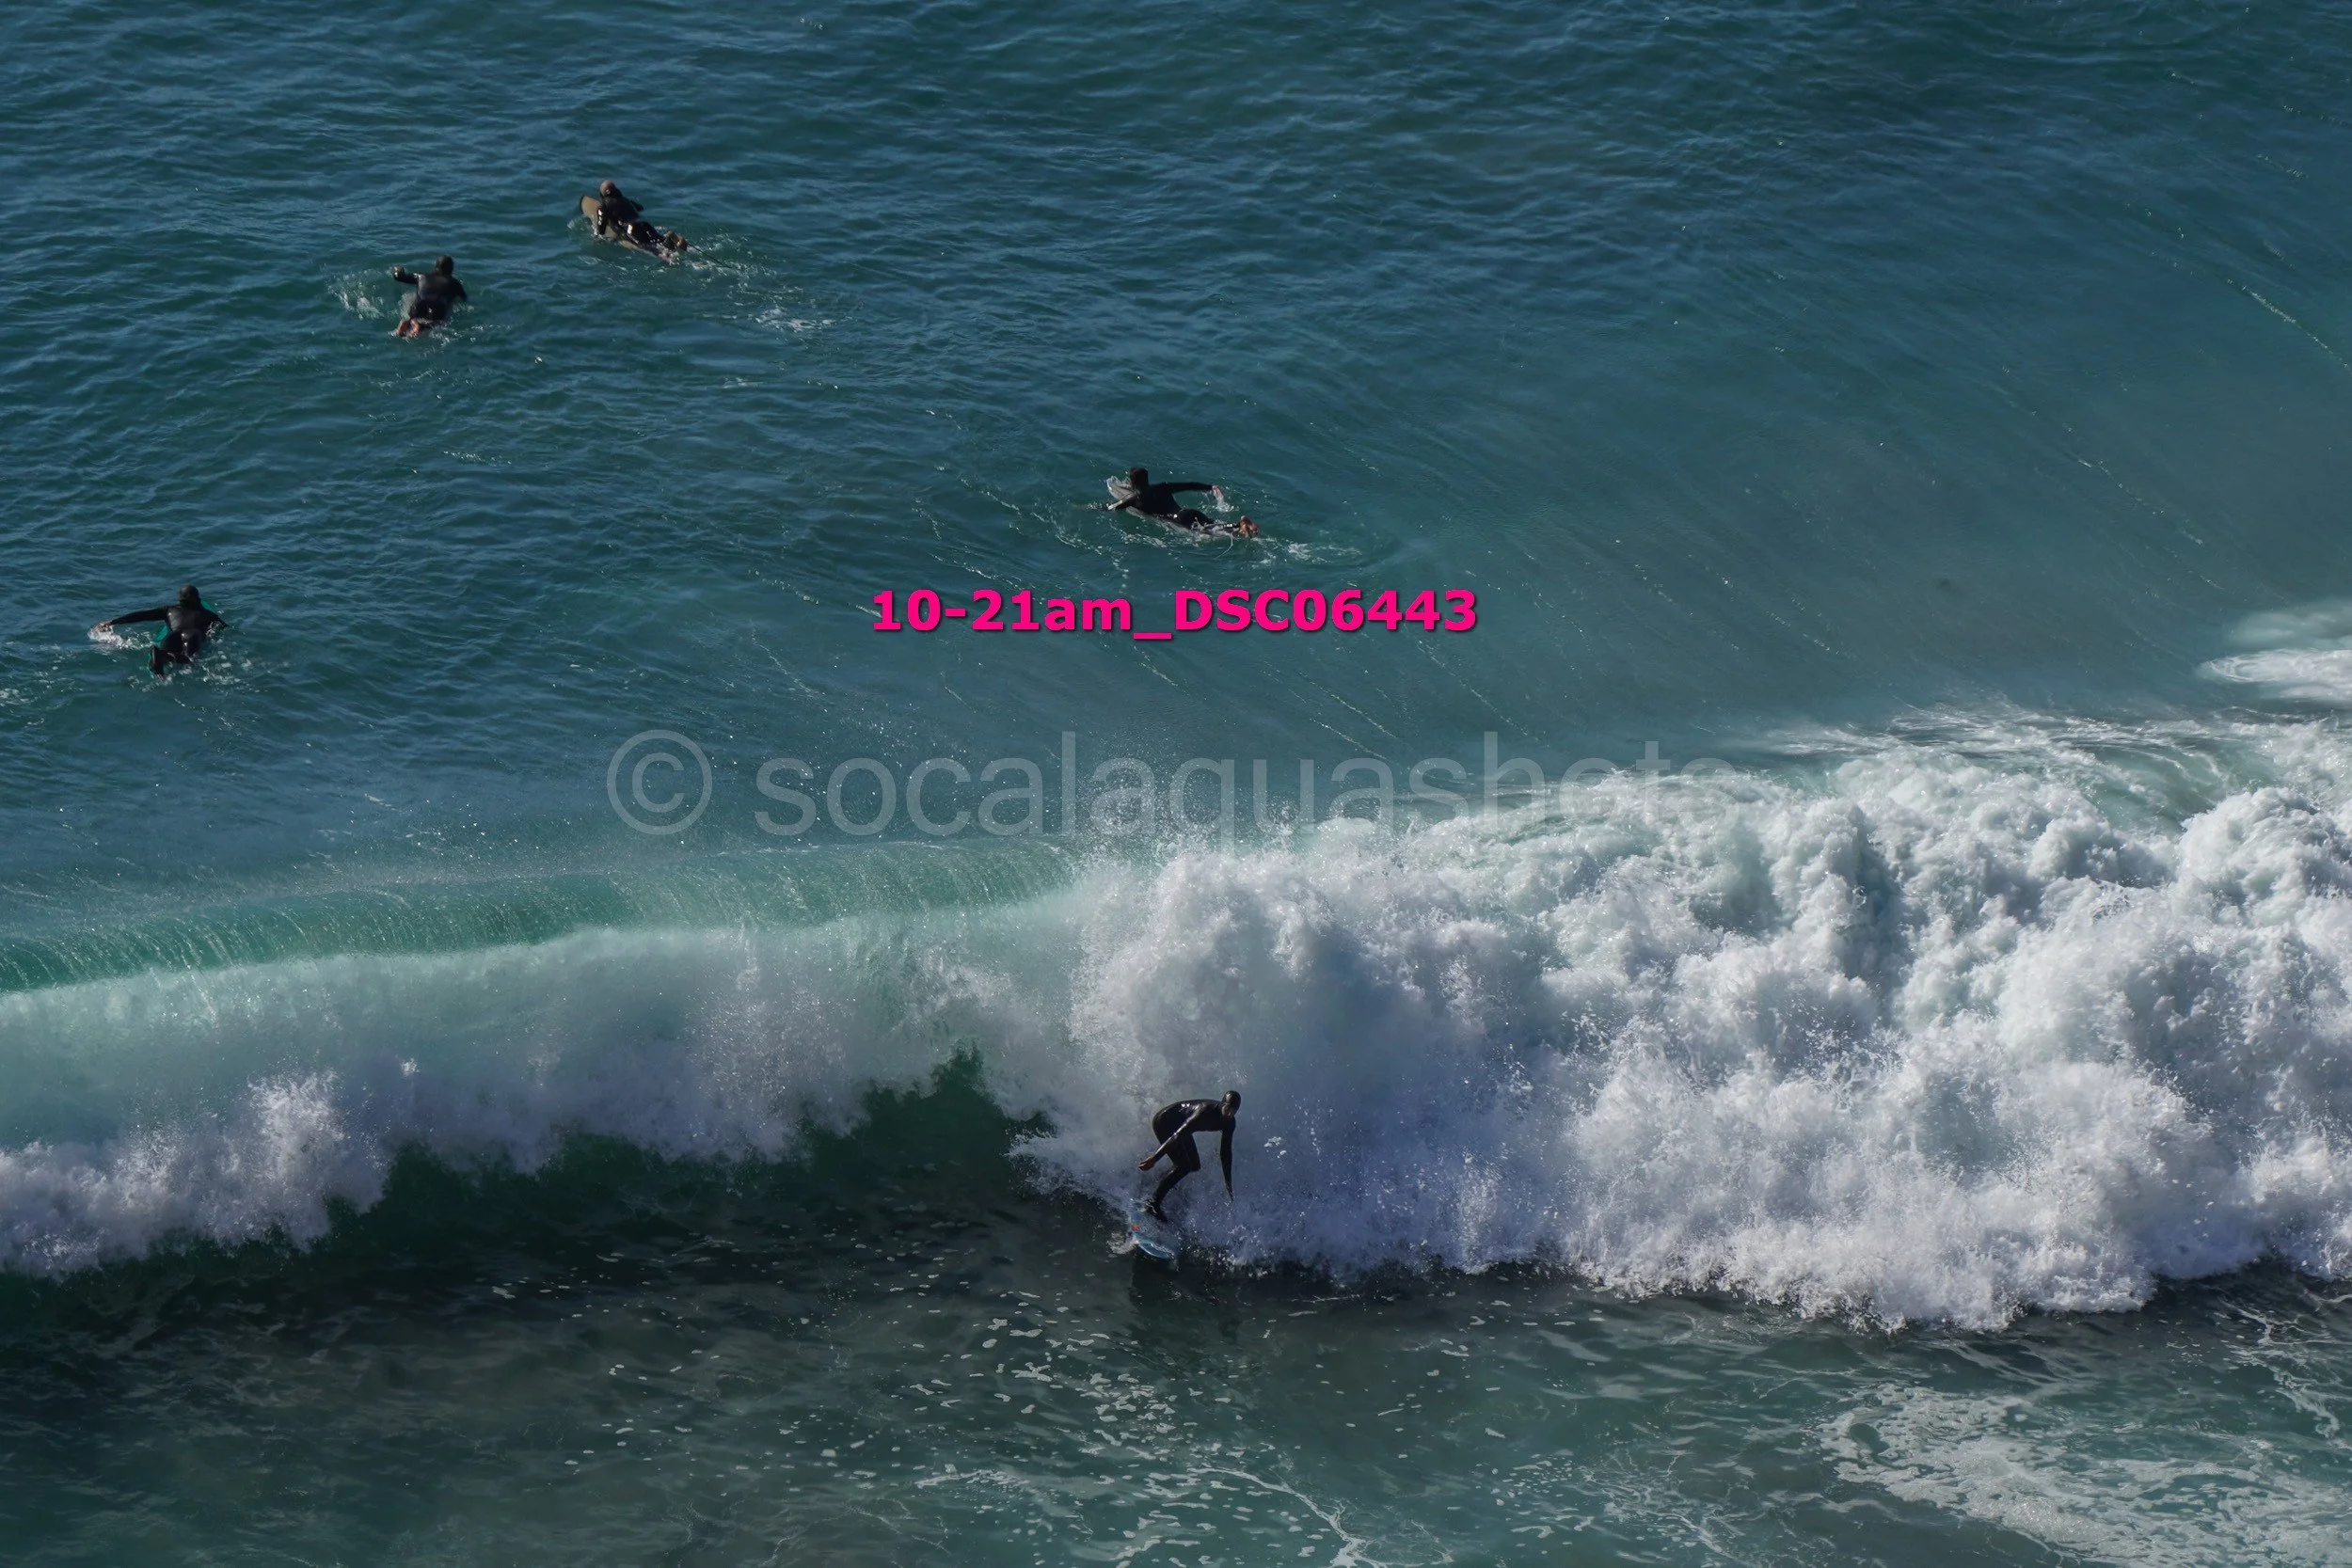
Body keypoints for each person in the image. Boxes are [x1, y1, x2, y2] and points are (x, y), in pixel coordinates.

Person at [1136, 1090, 1240, 1221]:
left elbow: (1225, 1152)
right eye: (1228, 1109)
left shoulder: (1229, 1123)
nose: (1229, 1114)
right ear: (1222, 1104)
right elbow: (1177, 1136)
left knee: (1194, 1165)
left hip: (1179, 1126)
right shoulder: (1204, 1113)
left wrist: (1228, 1181)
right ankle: (1153, 1204)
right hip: (1164, 1122)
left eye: (1234, 1111)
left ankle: (1160, 1182)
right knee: (1184, 1166)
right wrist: (1155, 1158)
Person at [93, 585, 227, 674]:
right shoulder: (209, 615)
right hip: (192, 636)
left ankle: (161, 655)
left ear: (180, 601)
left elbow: (141, 615)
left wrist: (113, 622)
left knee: (168, 653)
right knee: (190, 661)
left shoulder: (168, 610)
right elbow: (223, 629)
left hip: (172, 636)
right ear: (197, 599)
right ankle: (166, 657)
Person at [1113, 467, 1257, 536]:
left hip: (1180, 520)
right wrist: (1210, 487)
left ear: (1132, 482)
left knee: (1211, 532)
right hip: (1188, 512)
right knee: (1214, 525)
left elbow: (1113, 508)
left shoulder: (1134, 499)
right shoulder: (1163, 487)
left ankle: (1241, 525)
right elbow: (1189, 485)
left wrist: (1093, 507)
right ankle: (1240, 524)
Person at [390, 256, 466, 337]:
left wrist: (399, 270)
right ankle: (420, 326)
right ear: (451, 269)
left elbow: (399, 277)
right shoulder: (454, 283)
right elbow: (463, 297)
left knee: (413, 316)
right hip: (436, 307)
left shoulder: (421, 277)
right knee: (438, 323)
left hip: (418, 304)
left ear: (436, 267)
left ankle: (408, 322)